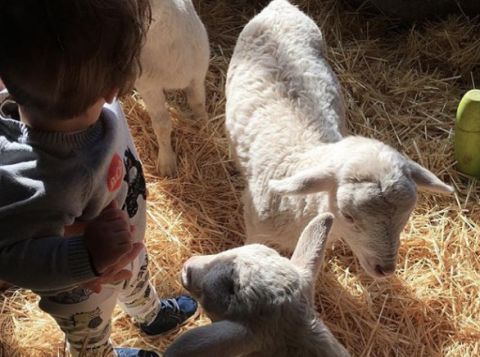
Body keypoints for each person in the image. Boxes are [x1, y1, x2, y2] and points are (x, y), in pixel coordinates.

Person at [0, 1, 197, 356]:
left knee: (137, 277)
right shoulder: (28, 181)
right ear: (116, 88)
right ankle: (99, 352)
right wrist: (87, 257)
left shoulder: (89, 97)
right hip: (82, 291)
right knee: (90, 333)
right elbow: (12, 258)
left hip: (127, 242)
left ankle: (148, 314)